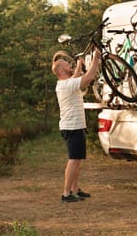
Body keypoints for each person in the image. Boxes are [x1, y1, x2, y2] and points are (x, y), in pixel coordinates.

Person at [51, 48, 101, 202]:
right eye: (67, 64)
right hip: (71, 127)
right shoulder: (66, 85)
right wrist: (96, 58)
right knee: (73, 160)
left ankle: (75, 190)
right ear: (61, 70)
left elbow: (75, 77)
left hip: (74, 126)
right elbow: (89, 77)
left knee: (77, 159)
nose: (70, 64)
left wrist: (79, 66)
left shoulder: (65, 83)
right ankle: (66, 194)